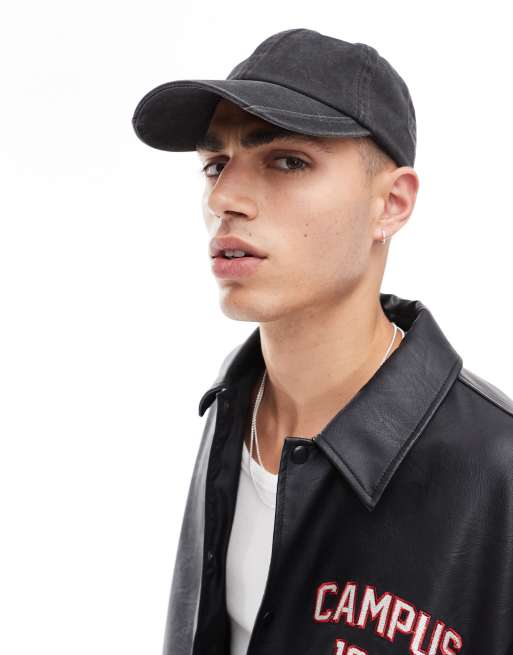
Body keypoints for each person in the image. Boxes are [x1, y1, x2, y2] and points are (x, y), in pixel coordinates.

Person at [132, 28, 513, 655]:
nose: (224, 197)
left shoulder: (496, 468)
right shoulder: (232, 404)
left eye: (288, 161)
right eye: (215, 165)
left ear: (391, 204)